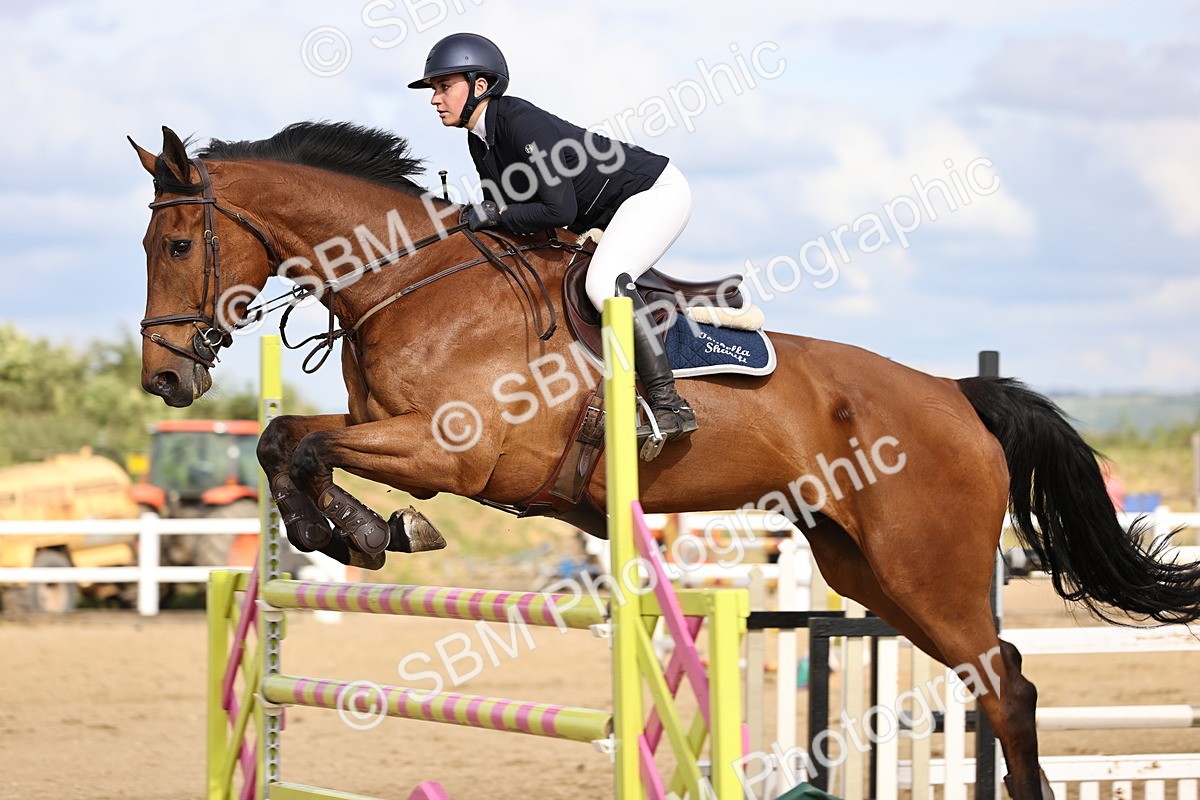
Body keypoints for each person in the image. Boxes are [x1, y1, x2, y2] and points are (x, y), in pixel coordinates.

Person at [408, 32, 697, 442]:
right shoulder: (481, 141)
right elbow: (506, 217)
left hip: (653, 194)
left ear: (480, 86)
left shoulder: (519, 123)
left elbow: (558, 211)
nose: (434, 99)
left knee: (603, 282)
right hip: (606, 211)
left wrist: (493, 213)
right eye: (434, 89)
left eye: (443, 86)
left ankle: (669, 405)